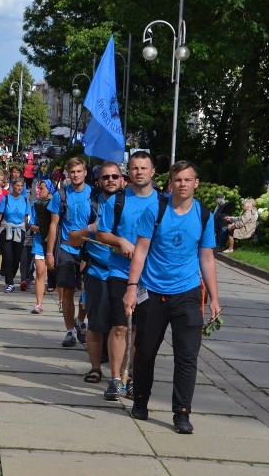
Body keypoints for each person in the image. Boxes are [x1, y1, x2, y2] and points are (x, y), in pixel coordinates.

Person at [123, 160, 221, 434]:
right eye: (178, 180)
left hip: (188, 294)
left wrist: (214, 297)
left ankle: (182, 413)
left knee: (187, 357)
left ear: (195, 183)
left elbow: (207, 258)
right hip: (153, 293)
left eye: (187, 180)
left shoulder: (203, 214)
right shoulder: (155, 209)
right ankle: (140, 399)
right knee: (145, 352)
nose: (182, 185)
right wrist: (132, 288)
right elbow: (140, 251)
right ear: (170, 184)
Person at [96, 151, 160, 401]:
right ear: (128, 173)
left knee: (143, 332)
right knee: (121, 326)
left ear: (152, 172)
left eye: (144, 168)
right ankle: (114, 379)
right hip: (120, 272)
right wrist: (121, 241)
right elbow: (102, 233)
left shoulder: (162, 203)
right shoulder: (117, 201)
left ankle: (131, 376)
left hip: (150, 277)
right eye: (134, 168)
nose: (139, 172)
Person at [68, 161, 124, 397]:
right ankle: (94, 368)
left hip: (123, 273)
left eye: (115, 176)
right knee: (97, 324)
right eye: (106, 177)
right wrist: (91, 228)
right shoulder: (90, 204)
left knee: (121, 326)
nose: (110, 180)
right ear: (99, 181)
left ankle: (120, 374)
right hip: (97, 272)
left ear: (122, 179)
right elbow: (73, 238)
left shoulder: (128, 203)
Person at [46, 157, 90, 348]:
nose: (76, 175)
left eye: (79, 171)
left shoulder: (93, 194)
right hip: (65, 248)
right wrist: (49, 253)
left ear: (85, 172)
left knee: (89, 292)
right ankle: (70, 331)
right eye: (72, 172)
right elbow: (54, 224)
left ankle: (80, 320)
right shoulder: (61, 195)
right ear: (68, 174)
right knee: (68, 292)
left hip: (88, 249)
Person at [0, 178, 31, 292]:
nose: (19, 188)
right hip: (6, 230)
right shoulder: (6, 199)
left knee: (16, 259)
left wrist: (26, 229)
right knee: (8, 257)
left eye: (21, 186)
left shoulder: (25, 200)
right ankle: (10, 283)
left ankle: (10, 277)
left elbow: (27, 218)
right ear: (12, 186)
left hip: (19, 231)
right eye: (17, 185)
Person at [29, 180, 55, 313]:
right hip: (39, 242)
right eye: (38, 188)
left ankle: (62, 301)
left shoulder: (56, 204)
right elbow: (32, 225)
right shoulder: (36, 206)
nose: (39, 190)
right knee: (40, 272)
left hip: (54, 243)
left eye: (42, 188)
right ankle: (38, 304)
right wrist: (43, 229)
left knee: (57, 274)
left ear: (50, 189)